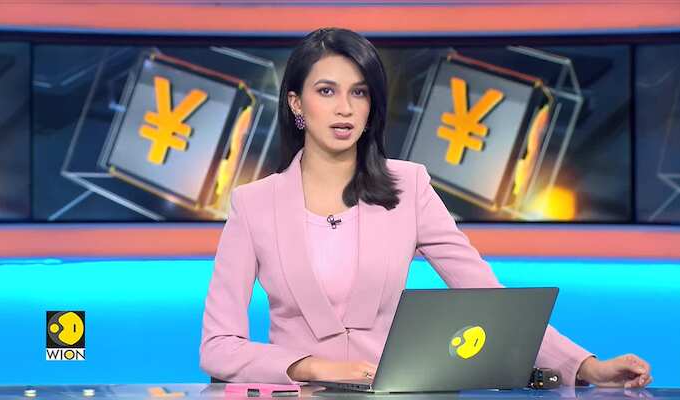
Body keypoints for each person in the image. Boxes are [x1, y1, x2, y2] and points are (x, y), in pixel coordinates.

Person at [200, 27, 652, 388]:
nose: (345, 108)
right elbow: (218, 346)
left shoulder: (408, 186)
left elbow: (489, 300)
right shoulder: (253, 204)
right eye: (326, 91)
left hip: (396, 392)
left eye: (359, 93)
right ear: (297, 103)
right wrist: (309, 366)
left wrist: (586, 366)